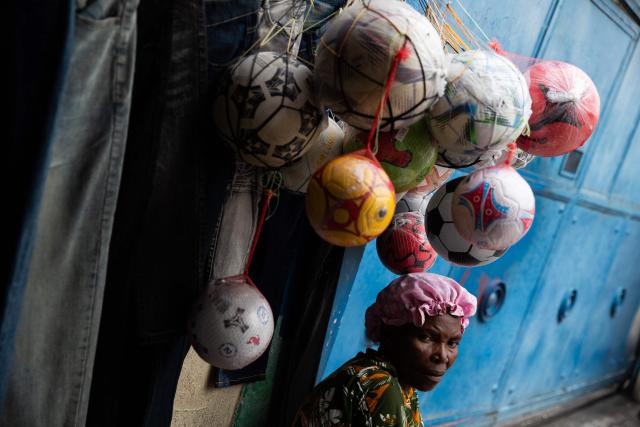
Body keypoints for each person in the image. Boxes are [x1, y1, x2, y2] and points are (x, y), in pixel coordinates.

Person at [293, 272, 477, 427]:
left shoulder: (398, 384)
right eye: (426, 337)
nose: (442, 356)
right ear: (389, 332)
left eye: (452, 343)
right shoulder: (379, 386)